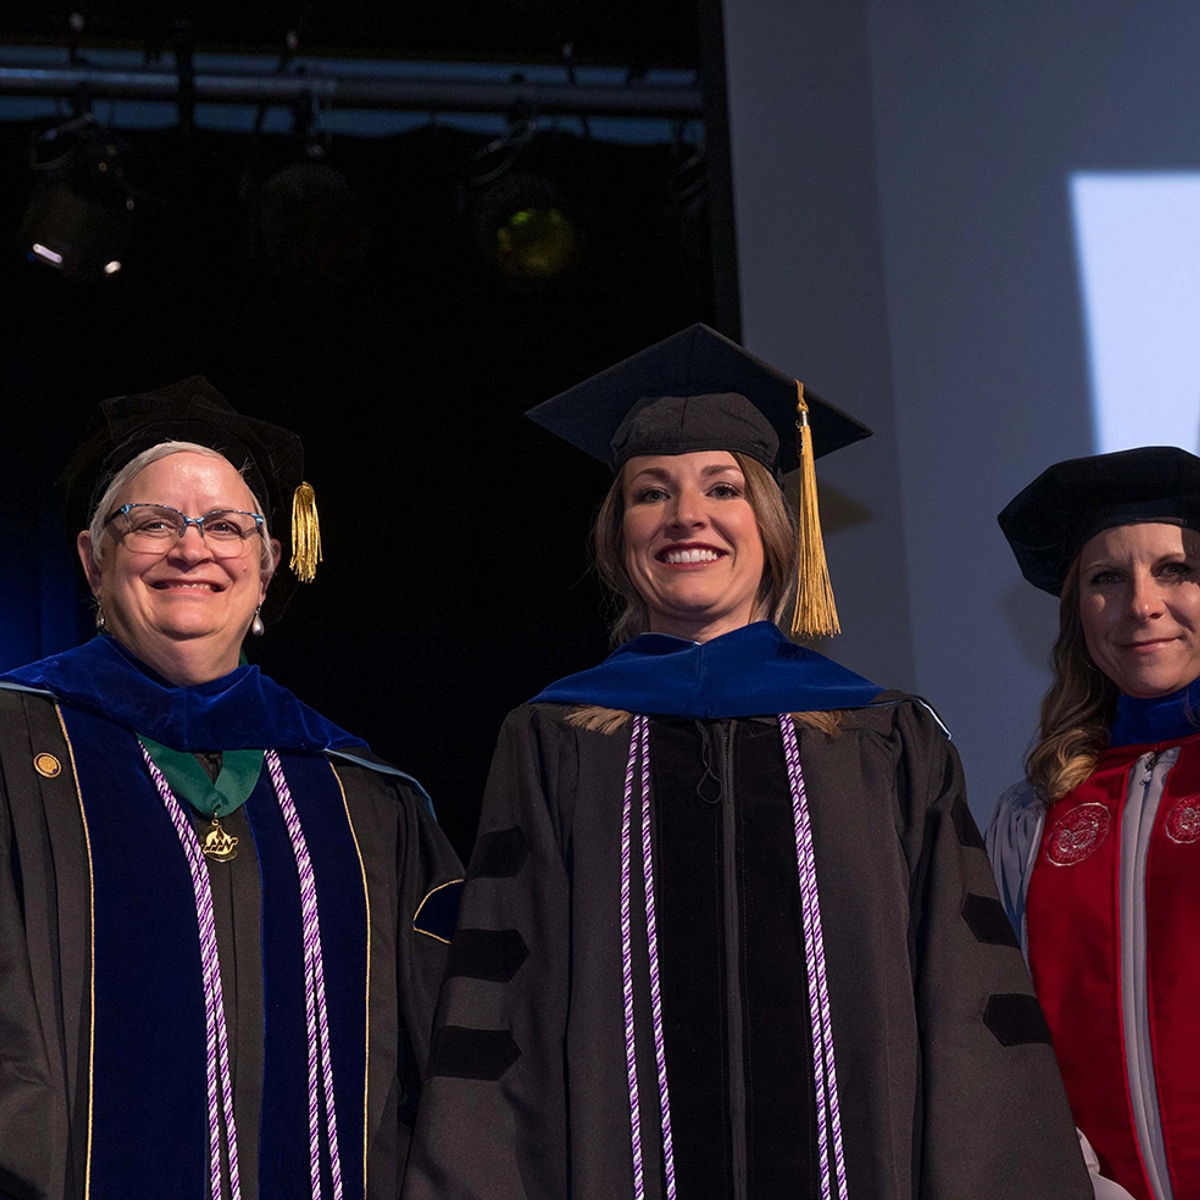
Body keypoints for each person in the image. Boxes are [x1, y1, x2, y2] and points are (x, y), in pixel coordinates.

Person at [404, 324, 1090, 1199]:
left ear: (774, 525)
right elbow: (505, 1013)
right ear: (620, 538)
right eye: (652, 493)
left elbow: (965, 1004)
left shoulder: (884, 740)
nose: (686, 515)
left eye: (722, 488)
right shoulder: (554, 739)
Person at [0, 377, 462, 1199]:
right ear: (91, 560)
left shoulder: (361, 795)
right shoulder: (15, 748)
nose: (191, 549)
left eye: (225, 526)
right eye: (150, 524)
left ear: (269, 563)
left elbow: (449, 1066)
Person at [989, 445, 1200, 1200]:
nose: (1142, 605)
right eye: (1106, 578)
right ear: (1078, 614)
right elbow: (1010, 1040)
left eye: (1175, 570)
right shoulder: (1034, 816)